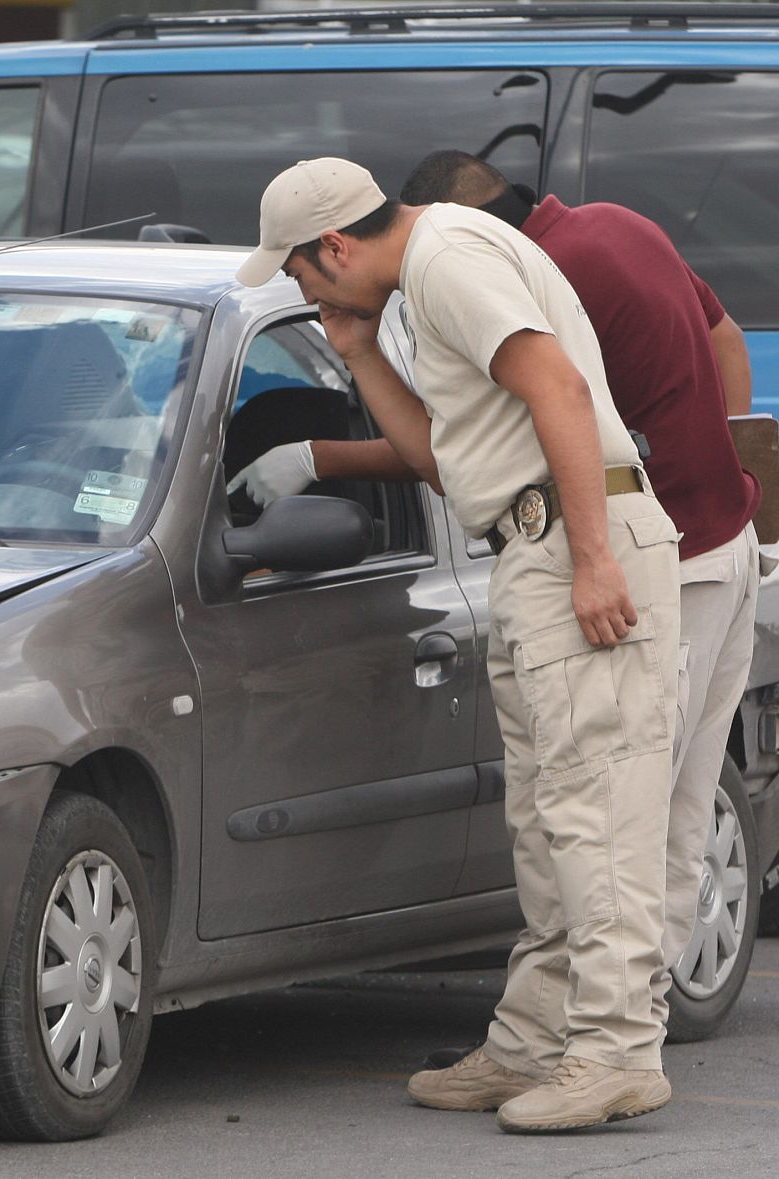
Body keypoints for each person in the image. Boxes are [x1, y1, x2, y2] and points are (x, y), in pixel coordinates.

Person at [245, 153, 763, 1101]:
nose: (300, 291)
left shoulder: (446, 260)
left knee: (598, 812)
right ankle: (533, 1038)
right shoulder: (434, 265)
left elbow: (558, 389)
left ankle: (613, 1052)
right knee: (550, 816)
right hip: (532, 543)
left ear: (335, 245)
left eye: (297, 270)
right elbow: (443, 461)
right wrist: (358, 351)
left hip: (572, 538)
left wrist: (594, 557)